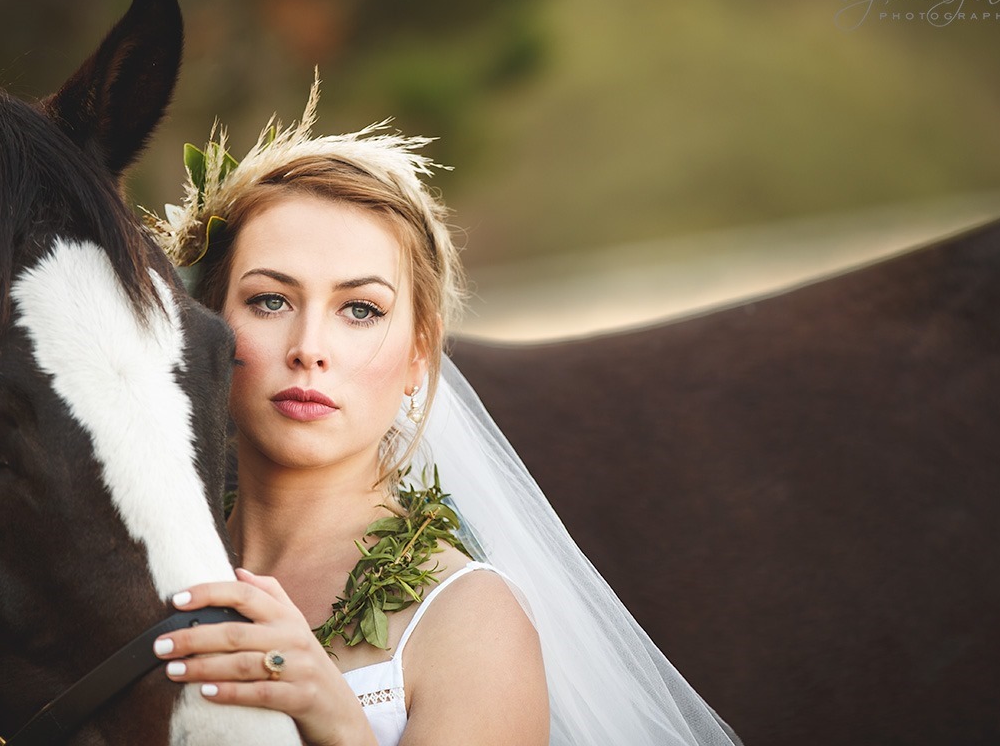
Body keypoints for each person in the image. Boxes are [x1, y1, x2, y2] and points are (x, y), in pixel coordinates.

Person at [145, 74, 743, 746]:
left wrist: (335, 720)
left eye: (361, 310)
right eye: (271, 301)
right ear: (207, 327)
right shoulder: (148, 578)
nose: (310, 348)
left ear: (418, 356)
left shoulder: (469, 619)